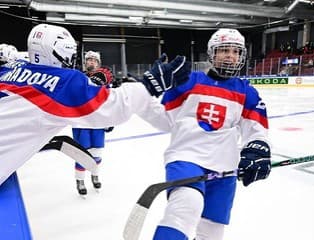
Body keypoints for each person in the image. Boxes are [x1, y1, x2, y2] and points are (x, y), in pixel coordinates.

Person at [0, 23, 191, 187]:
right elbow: (111, 106)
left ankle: (91, 175)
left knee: (95, 151)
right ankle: (82, 178)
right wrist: (151, 83)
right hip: (83, 119)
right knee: (86, 150)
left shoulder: (10, 70)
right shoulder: (61, 81)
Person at [152, 28, 271, 240]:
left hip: (225, 167)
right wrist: (146, 90)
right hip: (186, 157)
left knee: (212, 233)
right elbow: (164, 117)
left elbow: (256, 129)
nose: (230, 56)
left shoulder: (247, 92)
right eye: (224, 50)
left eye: (235, 51)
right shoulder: (188, 80)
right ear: (211, 54)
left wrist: (257, 150)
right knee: (186, 206)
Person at [72, 50, 114, 195]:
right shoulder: (78, 77)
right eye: (89, 60)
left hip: (98, 121)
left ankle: (95, 175)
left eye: (94, 60)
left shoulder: (104, 80)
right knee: (81, 153)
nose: (91, 62)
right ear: (85, 62)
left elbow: (109, 100)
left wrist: (110, 119)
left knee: (96, 152)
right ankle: (80, 180)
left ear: (98, 63)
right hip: (81, 122)